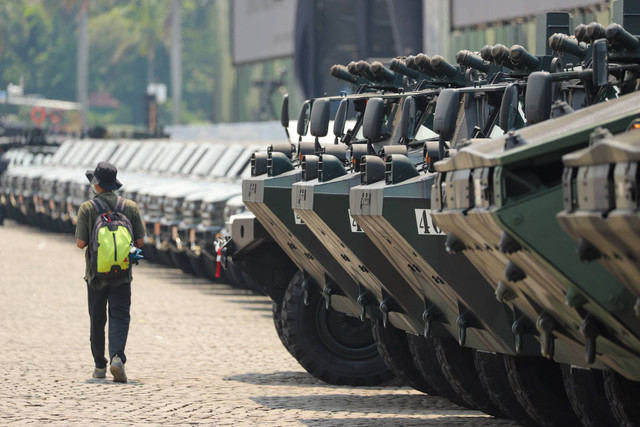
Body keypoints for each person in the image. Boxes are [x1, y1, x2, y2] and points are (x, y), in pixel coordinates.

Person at [75, 161, 145, 383]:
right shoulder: (130, 207)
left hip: (96, 276)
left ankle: (98, 366)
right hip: (122, 274)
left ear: (96, 185)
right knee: (120, 316)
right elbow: (141, 241)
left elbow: (81, 243)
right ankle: (117, 357)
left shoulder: (88, 208)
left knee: (97, 319)